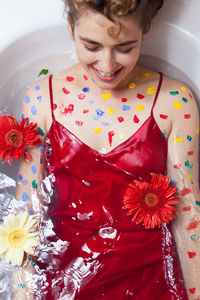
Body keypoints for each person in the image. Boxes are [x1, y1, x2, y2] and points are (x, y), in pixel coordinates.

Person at [3, 0, 199, 299]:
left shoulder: (173, 101)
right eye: (92, 46)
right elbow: (26, 213)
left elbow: (187, 211)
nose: (107, 66)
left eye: (124, 48)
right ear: (70, 28)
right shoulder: (42, 99)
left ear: (145, 30)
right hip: (63, 278)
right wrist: (21, 294)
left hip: (152, 280)